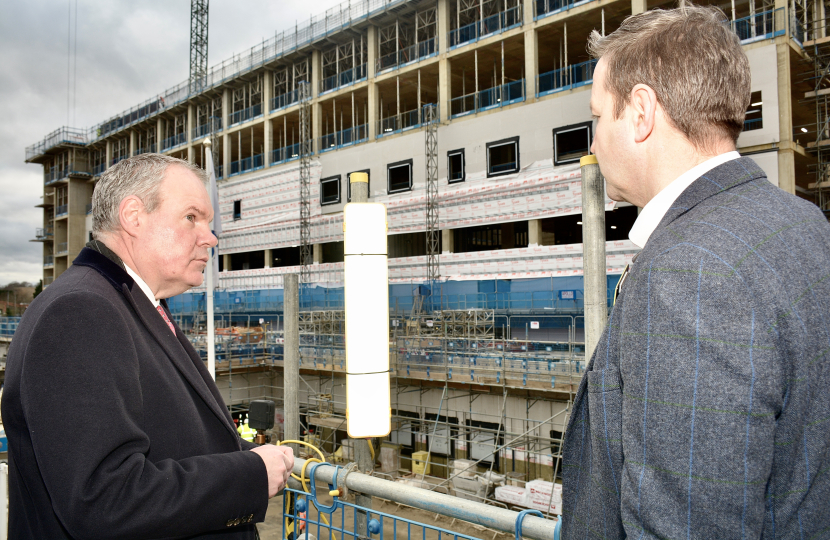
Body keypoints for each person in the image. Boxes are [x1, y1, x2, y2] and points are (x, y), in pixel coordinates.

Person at [562, 3, 830, 538]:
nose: (592, 144)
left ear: (641, 112)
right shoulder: (805, 221)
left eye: (596, 117)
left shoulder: (690, 273)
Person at [3, 154, 294, 539]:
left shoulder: (130, 304)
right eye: (192, 217)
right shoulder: (80, 312)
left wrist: (246, 452)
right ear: (133, 216)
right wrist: (251, 474)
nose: (210, 237)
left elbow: (163, 434)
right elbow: (104, 500)